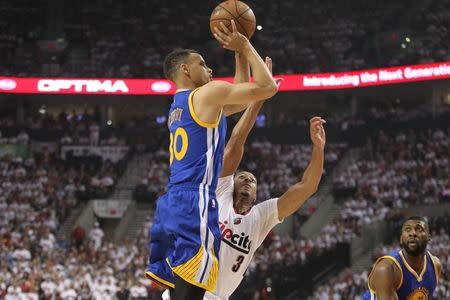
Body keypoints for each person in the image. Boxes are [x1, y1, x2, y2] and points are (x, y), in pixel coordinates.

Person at [162, 59, 326, 299]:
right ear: (231, 182)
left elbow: (307, 187)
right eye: (243, 177)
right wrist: (259, 99)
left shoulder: (261, 217)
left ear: (258, 192)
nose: (248, 181)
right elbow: (236, 141)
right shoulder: (218, 192)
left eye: (252, 180)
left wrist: (319, 150)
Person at [146, 20, 278, 300]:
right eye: (203, 64)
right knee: (193, 290)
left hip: (176, 200)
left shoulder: (180, 105)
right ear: (185, 69)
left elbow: (240, 99)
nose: (210, 69)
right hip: (196, 201)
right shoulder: (207, 93)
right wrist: (246, 46)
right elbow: (267, 87)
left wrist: (238, 54)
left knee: (182, 289)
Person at [361, 216, 442, 300]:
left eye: (419, 229)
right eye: (407, 229)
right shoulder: (387, 269)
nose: (412, 233)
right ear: (401, 239)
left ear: (429, 237)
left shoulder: (435, 265)